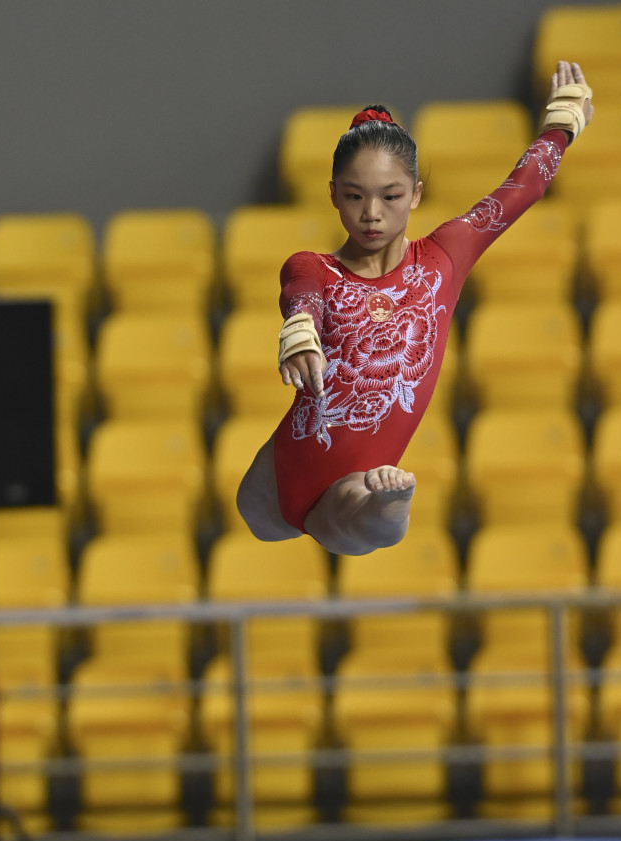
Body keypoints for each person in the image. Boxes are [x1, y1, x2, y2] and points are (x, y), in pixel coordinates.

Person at [237, 61, 593, 555]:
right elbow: (301, 293)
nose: (372, 213)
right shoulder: (315, 266)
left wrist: (562, 123)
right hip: (276, 483)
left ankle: (390, 503)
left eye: (391, 196)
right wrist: (299, 329)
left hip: (356, 487)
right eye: (354, 196)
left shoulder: (444, 257)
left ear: (416, 195)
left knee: (364, 519)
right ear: (334, 196)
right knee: (263, 520)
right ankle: (375, 507)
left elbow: (523, 188)